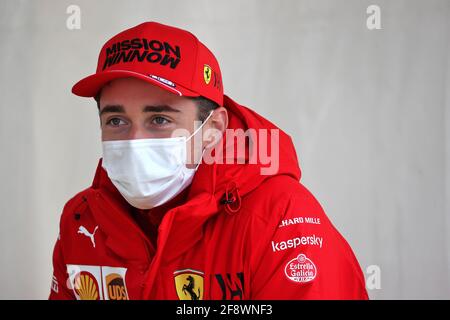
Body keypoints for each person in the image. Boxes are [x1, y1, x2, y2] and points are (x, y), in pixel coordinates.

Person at [49, 21, 368, 300]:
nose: (134, 141)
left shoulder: (279, 218)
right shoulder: (82, 219)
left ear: (213, 129)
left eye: (160, 119)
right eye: (116, 120)